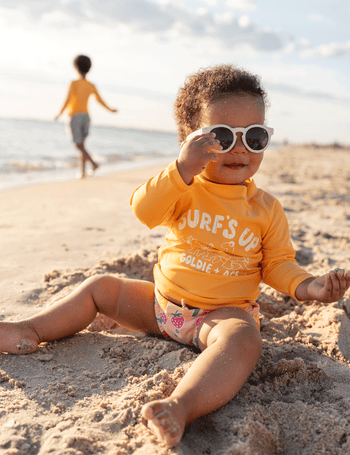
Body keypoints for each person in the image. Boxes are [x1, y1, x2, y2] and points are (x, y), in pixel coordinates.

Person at [1, 65, 350, 448]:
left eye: (254, 137)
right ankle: (30, 330)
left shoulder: (266, 209)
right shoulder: (183, 187)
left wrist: (310, 288)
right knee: (100, 288)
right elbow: (144, 210)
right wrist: (183, 168)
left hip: (221, 315)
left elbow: (278, 265)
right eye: (220, 136)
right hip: (160, 306)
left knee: (244, 340)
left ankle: (180, 405)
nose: (239, 148)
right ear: (190, 141)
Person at [55, 55, 117, 178]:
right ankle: (83, 172)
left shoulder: (74, 83)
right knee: (82, 144)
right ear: (89, 68)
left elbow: (67, 100)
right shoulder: (91, 85)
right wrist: (110, 110)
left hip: (75, 116)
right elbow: (100, 100)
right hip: (86, 117)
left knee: (78, 145)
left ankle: (93, 164)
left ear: (75, 67)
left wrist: (60, 113)